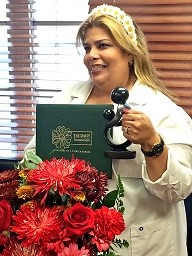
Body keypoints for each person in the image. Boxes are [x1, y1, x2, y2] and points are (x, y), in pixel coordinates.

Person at [25, 4, 192, 256]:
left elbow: (178, 189)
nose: (91, 55)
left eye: (102, 45)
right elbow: (31, 159)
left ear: (130, 53)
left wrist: (152, 143)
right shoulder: (66, 100)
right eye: (87, 47)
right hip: (75, 242)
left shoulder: (162, 110)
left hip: (142, 243)